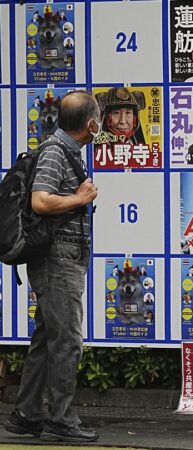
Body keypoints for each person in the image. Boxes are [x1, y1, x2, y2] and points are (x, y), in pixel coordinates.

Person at [5, 91, 99, 442]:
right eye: (99, 118)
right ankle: (60, 419)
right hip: (57, 260)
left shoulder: (64, 151)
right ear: (90, 124)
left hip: (62, 259)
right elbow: (41, 200)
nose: (100, 125)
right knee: (67, 340)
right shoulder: (56, 152)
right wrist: (81, 198)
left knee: (47, 339)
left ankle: (27, 414)